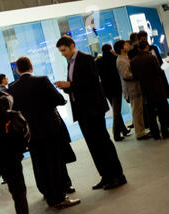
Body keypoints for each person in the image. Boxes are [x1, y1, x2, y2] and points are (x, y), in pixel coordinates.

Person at [55, 36, 127, 191]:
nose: (62, 53)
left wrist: (70, 84)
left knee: (103, 143)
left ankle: (117, 176)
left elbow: (93, 81)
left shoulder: (85, 59)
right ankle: (106, 176)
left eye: (64, 50)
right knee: (93, 146)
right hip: (82, 111)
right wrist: (67, 86)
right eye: (60, 51)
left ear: (71, 45)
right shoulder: (71, 63)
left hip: (93, 109)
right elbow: (77, 84)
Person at [8, 57, 80, 209]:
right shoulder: (42, 81)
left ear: (18, 70)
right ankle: (59, 197)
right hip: (49, 128)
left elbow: (14, 110)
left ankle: (47, 193)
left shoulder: (12, 87)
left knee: (38, 162)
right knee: (54, 162)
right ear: (31, 67)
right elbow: (60, 100)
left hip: (29, 132)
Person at [130, 40, 169, 139]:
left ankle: (155, 134)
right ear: (147, 48)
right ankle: (165, 132)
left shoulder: (133, 61)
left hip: (145, 89)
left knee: (151, 114)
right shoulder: (152, 58)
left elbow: (134, 77)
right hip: (157, 87)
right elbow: (159, 72)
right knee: (162, 112)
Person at [114, 40, 151, 140]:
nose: (128, 45)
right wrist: (138, 74)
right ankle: (140, 133)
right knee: (136, 111)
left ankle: (141, 130)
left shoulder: (125, 57)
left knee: (139, 110)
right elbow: (126, 75)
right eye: (125, 45)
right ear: (122, 48)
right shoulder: (121, 60)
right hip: (132, 89)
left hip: (135, 87)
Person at [96, 44, 130, 141]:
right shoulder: (114, 58)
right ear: (110, 49)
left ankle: (123, 129)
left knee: (116, 109)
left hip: (106, 89)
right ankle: (116, 134)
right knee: (116, 111)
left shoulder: (98, 61)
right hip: (115, 87)